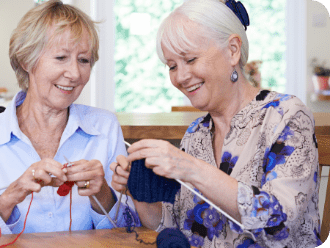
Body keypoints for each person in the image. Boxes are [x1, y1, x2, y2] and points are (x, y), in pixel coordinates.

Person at [111, 0, 322, 247]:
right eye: (171, 66)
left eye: (190, 59)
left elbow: (279, 224)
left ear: (232, 50)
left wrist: (190, 168)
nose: (180, 77)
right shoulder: (196, 134)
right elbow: (174, 226)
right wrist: (139, 191)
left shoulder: (287, 116)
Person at [0, 0, 139, 234]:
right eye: (61, 57)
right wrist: (7, 200)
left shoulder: (105, 128)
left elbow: (132, 232)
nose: (74, 73)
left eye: (84, 60)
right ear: (26, 60)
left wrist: (103, 195)